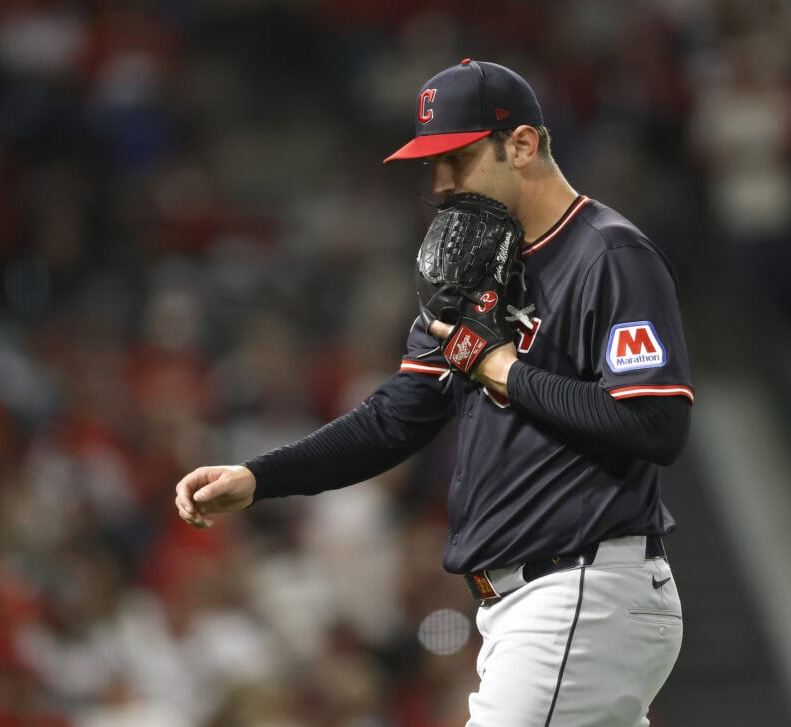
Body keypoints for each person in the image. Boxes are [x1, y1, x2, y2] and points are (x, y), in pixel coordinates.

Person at [174, 58, 694, 726]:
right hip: (529, 605)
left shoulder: (609, 256)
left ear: (524, 144)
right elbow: (397, 417)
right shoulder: (477, 266)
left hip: (581, 591)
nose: (442, 184)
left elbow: (656, 426)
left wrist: (503, 369)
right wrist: (259, 476)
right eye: (432, 165)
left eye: (460, 158)